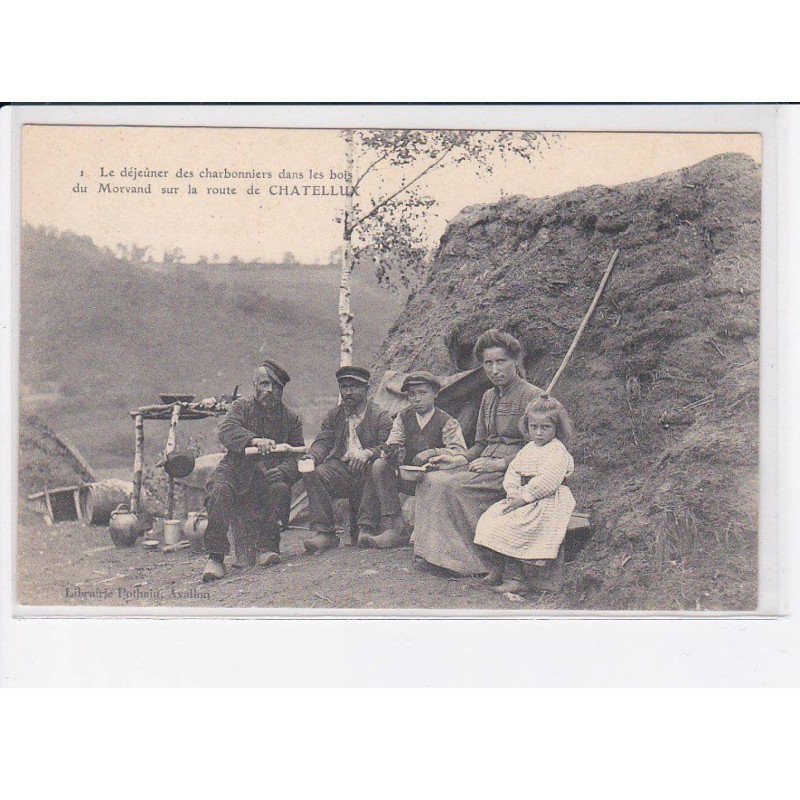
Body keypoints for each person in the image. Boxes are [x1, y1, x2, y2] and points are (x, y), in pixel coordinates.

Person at [412, 329, 542, 575]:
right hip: (484, 463)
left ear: (515, 361)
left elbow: (539, 449)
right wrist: (457, 459)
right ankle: (438, 555)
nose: (495, 370)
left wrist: (499, 464)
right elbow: (481, 444)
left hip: (515, 470)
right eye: (488, 363)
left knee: (450, 486)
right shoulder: (488, 397)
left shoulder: (533, 397)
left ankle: (469, 563)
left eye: (501, 362)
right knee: (430, 478)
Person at [201, 360, 304, 582]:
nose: (270, 390)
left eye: (276, 387)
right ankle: (215, 558)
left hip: (267, 474)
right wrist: (254, 440)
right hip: (235, 470)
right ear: (255, 385)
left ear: (282, 390)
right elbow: (226, 431)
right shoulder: (241, 408)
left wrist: (285, 471)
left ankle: (267, 547)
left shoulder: (291, 418)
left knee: (280, 488)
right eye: (265, 384)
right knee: (218, 491)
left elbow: (297, 455)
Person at [474, 395, 576, 594]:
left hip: (547, 499)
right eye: (533, 427)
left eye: (545, 427)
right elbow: (513, 471)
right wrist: (512, 493)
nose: (538, 433)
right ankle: (498, 569)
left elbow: (548, 481)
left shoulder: (556, 451)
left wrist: (524, 498)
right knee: (491, 519)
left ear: (557, 428)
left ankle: (517, 578)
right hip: (522, 497)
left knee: (514, 525)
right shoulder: (528, 449)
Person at [357, 371, 468, 549]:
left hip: (434, 479)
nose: (416, 399)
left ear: (435, 394)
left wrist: (433, 452)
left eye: (422, 393)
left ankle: (426, 534)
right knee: (379, 465)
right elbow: (393, 441)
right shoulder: (403, 417)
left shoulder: (447, 421)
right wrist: (392, 451)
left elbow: (460, 452)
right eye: (411, 394)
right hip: (408, 476)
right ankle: (393, 527)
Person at [299, 366, 393, 553]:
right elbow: (323, 442)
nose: (348, 392)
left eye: (354, 387)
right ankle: (325, 533)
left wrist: (367, 453)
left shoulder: (380, 416)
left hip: (369, 471)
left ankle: (366, 528)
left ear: (367, 390)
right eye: (344, 387)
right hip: (343, 471)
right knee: (314, 472)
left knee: (375, 467)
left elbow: (388, 446)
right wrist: (311, 456)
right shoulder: (335, 415)